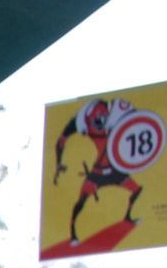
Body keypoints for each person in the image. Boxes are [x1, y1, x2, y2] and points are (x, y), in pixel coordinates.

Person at [53, 97, 145, 243]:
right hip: (97, 173)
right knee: (81, 201)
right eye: (97, 116)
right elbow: (62, 140)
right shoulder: (83, 123)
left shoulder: (116, 117)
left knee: (137, 189)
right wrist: (59, 164)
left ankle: (127, 217)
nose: (101, 118)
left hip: (115, 170)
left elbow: (136, 121)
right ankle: (73, 234)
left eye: (103, 115)